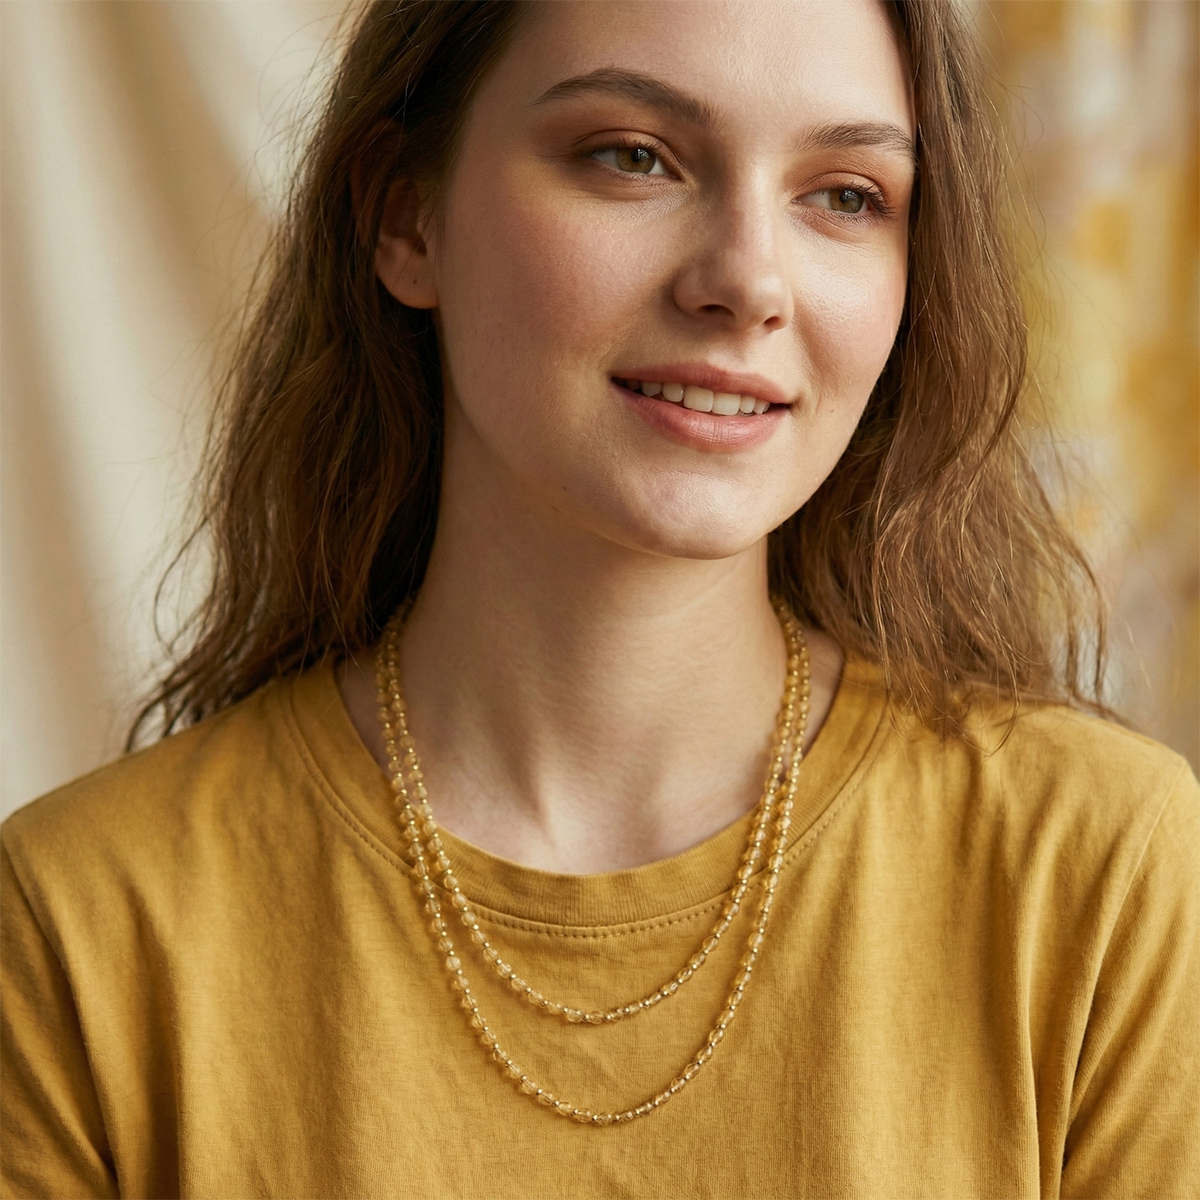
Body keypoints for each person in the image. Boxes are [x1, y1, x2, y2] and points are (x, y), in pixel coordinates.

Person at [2, 0, 1197, 1193]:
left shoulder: (1101, 874)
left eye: (845, 194)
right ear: (404, 212)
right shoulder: (83, 927)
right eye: (635, 157)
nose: (747, 281)